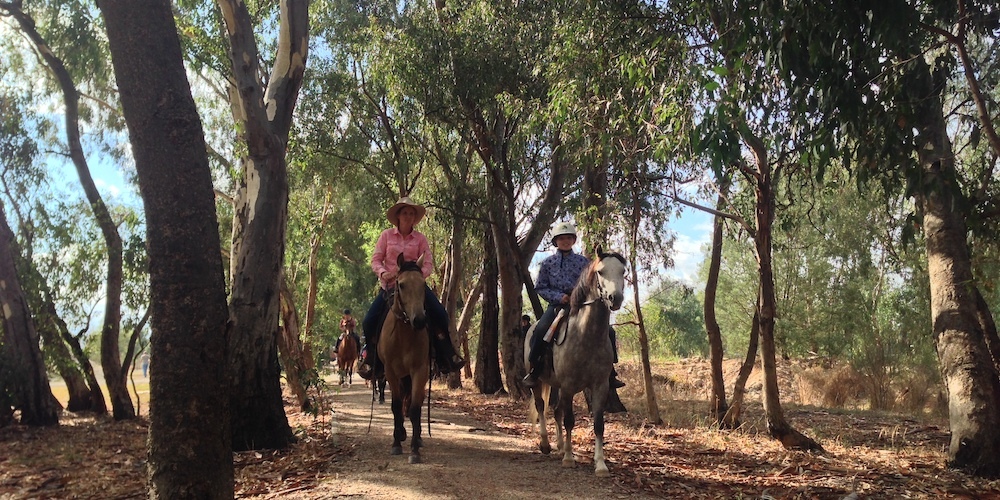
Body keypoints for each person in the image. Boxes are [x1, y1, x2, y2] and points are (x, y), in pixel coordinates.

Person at [358, 196, 465, 380]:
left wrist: (416, 277)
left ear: (415, 218)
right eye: (405, 213)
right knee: (369, 320)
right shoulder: (386, 236)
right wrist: (384, 273)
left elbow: (428, 263)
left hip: (415, 287)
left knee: (440, 314)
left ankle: (446, 356)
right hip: (391, 287)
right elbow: (376, 260)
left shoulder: (420, 239)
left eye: (411, 213)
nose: (408, 216)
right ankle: (372, 359)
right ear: (398, 216)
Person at [522, 221, 625, 389]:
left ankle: (610, 372)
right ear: (556, 241)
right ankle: (535, 370)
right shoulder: (548, 264)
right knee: (540, 330)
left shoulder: (584, 262)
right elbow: (540, 287)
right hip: (557, 307)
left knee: (610, 332)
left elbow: (592, 285)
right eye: (561, 238)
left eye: (569, 238)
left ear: (574, 240)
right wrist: (559, 297)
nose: (565, 241)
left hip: (582, 306)